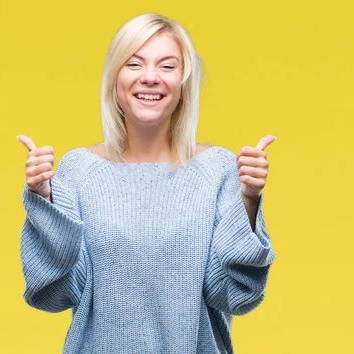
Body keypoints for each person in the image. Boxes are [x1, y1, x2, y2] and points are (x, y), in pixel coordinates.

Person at [17, 13, 276, 354]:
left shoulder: (219, 170)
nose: (150, 78)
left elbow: (235, 295)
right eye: (135, 64)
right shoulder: (78, 170)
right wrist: (44, 199)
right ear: (115, 79)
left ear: (184, 85)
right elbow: (55, 293)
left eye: (167, 67)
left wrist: (249, 199)